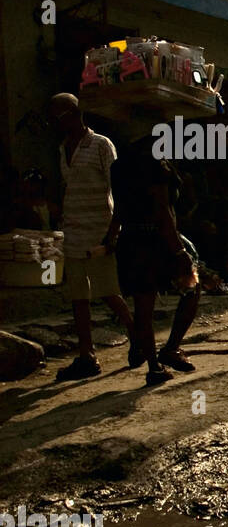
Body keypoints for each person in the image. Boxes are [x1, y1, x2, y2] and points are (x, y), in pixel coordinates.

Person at [109, 111, 201, 386]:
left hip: (131, 241)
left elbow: (121, 208)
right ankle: (171, 348)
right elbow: (163, 212)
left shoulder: (119, 166)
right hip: (156, 241)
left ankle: (153, 366)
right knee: (192, 288)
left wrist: (111, 238)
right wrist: (179, 252)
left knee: (143, 306)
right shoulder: (156, 165)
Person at [48, 93, 134, 380]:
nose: (57, 124)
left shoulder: (100, 145)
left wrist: (113, 232)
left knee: (108, 291)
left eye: (59, 117)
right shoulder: (63, 148)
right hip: (72, 230)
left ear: (74, 113)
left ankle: (138, 335)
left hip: (98, 229)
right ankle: (87, 355)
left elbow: (119, 188)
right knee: (78, 297)